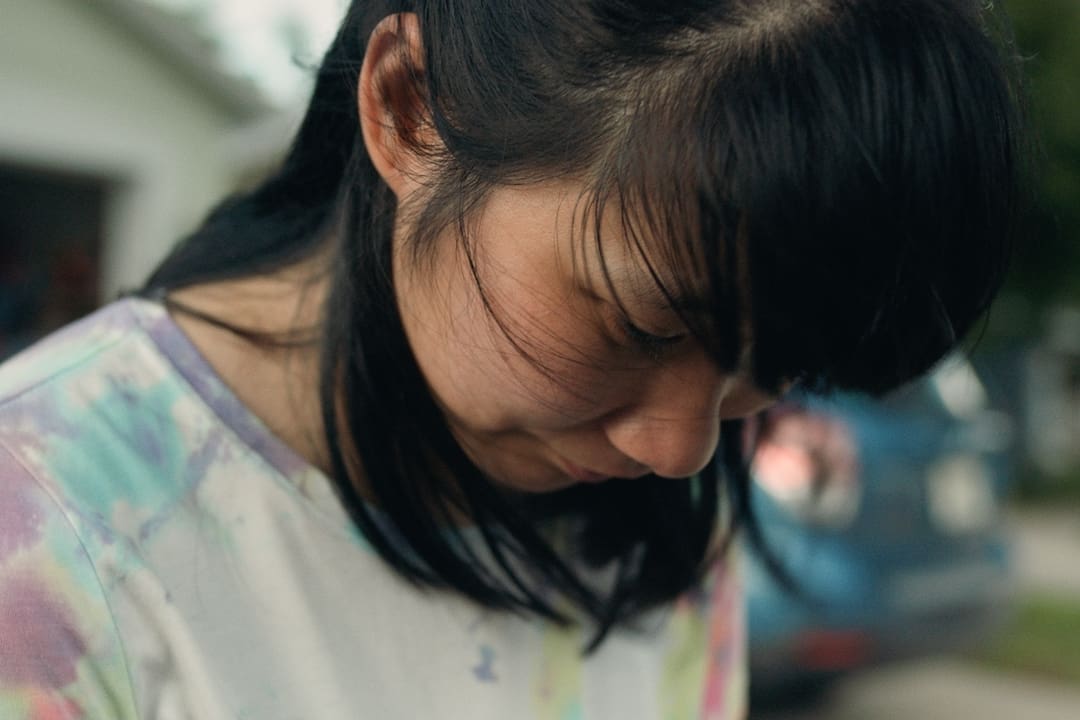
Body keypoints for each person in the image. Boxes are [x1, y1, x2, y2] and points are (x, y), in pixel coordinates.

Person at [0, 1, 1026, 718]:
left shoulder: (661, 531)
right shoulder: (47, 541)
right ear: (408, 108)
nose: (681, 449)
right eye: (641, 325)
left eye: (777, 365)